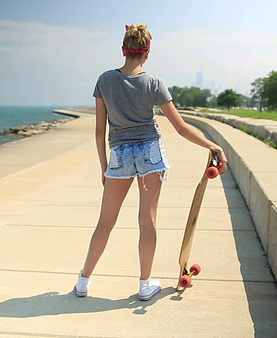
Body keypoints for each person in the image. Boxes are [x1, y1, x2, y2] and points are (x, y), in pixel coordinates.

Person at [75, 23, 228, 301]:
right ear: (147, 52)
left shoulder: (105, 80)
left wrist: (104, 169)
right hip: (150, 153)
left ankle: (84, 281)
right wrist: (213, 145)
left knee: (105, 223)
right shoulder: (154, 82)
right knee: (147, 222)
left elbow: (100, 131)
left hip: (119, 155)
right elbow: (181, 127)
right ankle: (145, 285)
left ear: (124, 49)